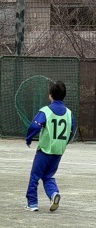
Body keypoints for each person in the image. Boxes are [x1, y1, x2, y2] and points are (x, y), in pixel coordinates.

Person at [24, 80, 76, 212]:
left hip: (45, 150)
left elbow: (35, 126)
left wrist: (29, 138)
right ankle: (53, 194)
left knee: (35, 176)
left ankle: (32, 203)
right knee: (48, 175)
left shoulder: (46, 111)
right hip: (58, 151)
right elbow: (71, 130)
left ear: (50, 95)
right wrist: (64, 143)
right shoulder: (69, 113)